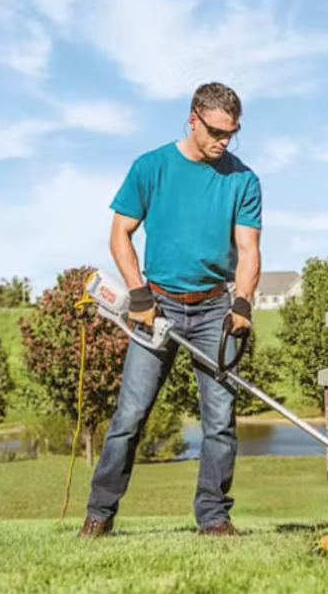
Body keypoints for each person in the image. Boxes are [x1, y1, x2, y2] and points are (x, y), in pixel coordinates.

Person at [78, 82, 262, 538]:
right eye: (216, 131)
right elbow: (119, 234)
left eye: (231, 133)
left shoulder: (243, 179)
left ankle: (214, 517)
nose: (223, 141)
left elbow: (248, 248)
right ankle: (100, 514)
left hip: (213, 310)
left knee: (219, 421)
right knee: (130, 417)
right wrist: (139, 296)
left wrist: (242, 303)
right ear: (193, 120)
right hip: (155, 306)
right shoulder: (151, 167)